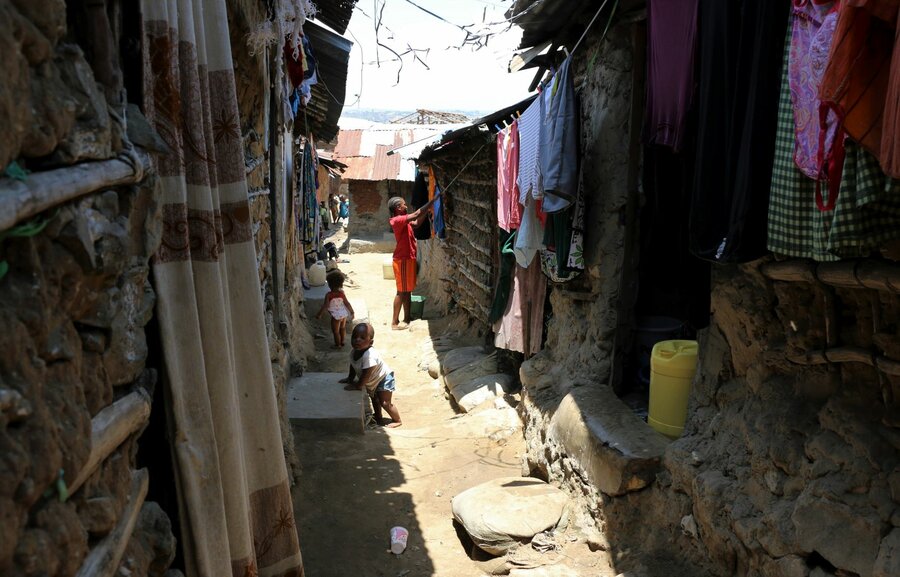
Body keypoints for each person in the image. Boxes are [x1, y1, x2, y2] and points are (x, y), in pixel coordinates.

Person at [387, 194, 438, 330]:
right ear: (398, 207)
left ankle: (407, 318)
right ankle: (394, 322)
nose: (406, 206)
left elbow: (416, 222)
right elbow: (415, 214)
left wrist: (427, 210)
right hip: (402, 259)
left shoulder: (404, 221)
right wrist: (432, 202)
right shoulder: (397, 220)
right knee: (401, 291)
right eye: (404, 204)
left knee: (407, 290)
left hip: (408, 258)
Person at [339, 322, 402, 428]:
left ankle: (397, 420)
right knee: (374, 399)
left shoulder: (369, 355)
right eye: (355, 337)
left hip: (383, 378)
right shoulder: (354, 352)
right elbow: (353, 364)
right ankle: (378, 417)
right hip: (374, 381)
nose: (357, 340)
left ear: (370, 342)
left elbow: (367, 373)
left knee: (385, 402)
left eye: (362, 338)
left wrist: (358, 386)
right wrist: (350, 378)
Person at [316, 271, 354, 348]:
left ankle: (338, 345)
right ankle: (342, 341)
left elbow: (326, 306)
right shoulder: (342, 293)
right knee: (342, 328)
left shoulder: (329, 295)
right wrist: (352, 312)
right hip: (343, 314)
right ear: (341, 284)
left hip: (336, 316)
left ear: (329, 285)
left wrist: (319, 314)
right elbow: (347, 303)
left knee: (336, 332)